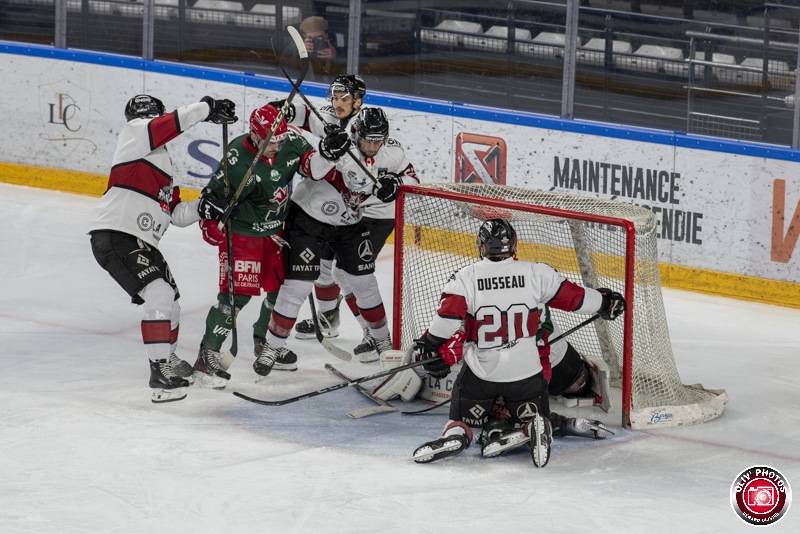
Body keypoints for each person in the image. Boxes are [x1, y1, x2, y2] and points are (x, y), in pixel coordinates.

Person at [410, 218, 626, 466]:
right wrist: (606, 302)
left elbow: (446, 322)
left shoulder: (465, 277)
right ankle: (535, 426)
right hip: (527, 375)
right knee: (534, 413)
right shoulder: (536, 273)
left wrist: (428, 343)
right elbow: (576, 299)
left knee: (462, 419)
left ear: (482, 247)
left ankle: (457, 434)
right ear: (513, 245)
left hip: (482, 376)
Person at [88, 94, 237, 403]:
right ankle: (159, 372)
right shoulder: (136, 133)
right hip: (117, 233)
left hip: (140, 239)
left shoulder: (158, 162)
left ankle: (166, 359)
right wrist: (207, 108)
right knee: (160, 295)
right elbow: (170, 124)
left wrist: (205, 207)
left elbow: (175, 213)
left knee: (172, 302)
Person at [252, 106, 419, 376]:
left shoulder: (392, 153)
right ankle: (272, 346)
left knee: (365, 283)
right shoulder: (340, 148)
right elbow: (313, 171)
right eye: (368, 140)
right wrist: (327, 153)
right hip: (308, 219)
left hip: (349, 223)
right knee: (298, 285)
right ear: (356, 134)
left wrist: (397, 183)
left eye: (378, 140)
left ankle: (382, 342)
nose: (373, 146)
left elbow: (411, 175)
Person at [192, 103, 332, 389]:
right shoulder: (236, 157)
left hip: (276, 232)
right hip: (243, 236)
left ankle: (265, 342)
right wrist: (209, 224)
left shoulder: (291, 140)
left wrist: (328, 153)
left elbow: (311, 167)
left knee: (280, 289)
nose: (276, 147)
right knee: (235, 297)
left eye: (279, 140)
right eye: (270, 142)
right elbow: (212, 196)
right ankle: (207, 355)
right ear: (254, 135)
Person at [277, 75, 404, 361]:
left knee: (348, 273)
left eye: (344, 98)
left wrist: (388, 185)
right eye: (334, 97)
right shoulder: (330, 118)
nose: (337, 103)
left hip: (372, 212)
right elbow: (305, 115)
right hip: (337, 211)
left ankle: (372, 334)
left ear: (358, 100)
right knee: (324, 268)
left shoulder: (375, 132)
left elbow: (403, 172)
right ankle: (328, 319)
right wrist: (282, 110)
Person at [282, 16, 341, 82]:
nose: (315, 42)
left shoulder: (333, 44)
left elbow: (349, 61)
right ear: (304, 35)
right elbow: (283, 65)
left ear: (326, 35)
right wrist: (300, 53)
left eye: (319, 38)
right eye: (311, 39)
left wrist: (336, 55)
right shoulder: (295, 45)